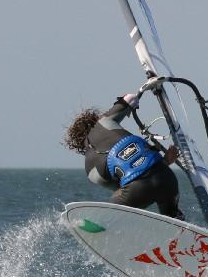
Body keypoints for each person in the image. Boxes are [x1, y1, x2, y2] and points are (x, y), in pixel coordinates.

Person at [63, 89, 184, 220]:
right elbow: (130, 98)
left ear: (79, 144)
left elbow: (122, 186)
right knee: (173, 218)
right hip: (166, 177)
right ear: (94, 119)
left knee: (113, 211)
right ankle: (181, 225)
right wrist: (140, 94)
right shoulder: (105, 121)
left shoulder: (90, 168)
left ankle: (105, 224)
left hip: (138, 190)